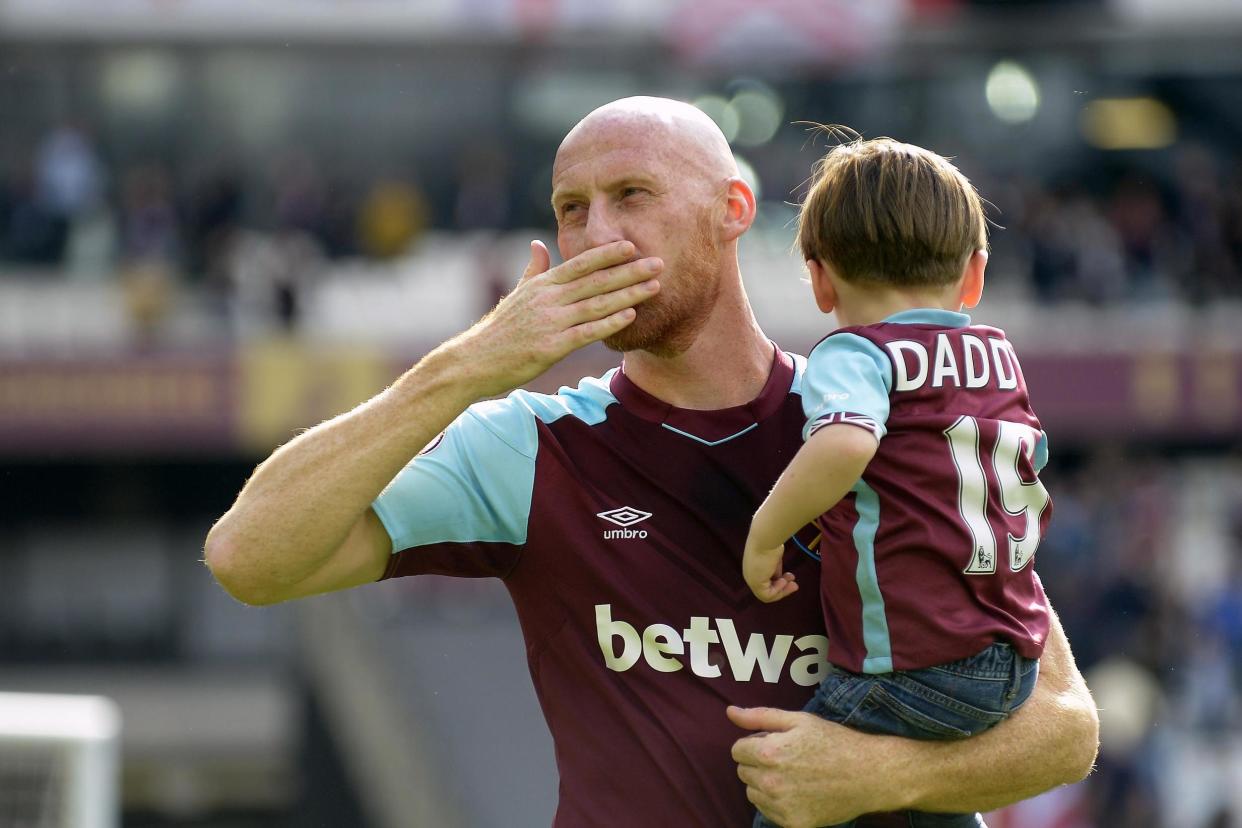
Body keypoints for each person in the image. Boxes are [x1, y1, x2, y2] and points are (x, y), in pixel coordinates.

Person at [204, 98, 1098, 828]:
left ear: (733, 209)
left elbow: (1062, 729)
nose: (597, 234)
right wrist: (467, 364)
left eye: (633, 195)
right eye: (570, 209)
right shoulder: (530, 443)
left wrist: (877, 772)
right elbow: (250, 558)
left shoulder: (871, 416)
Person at [743, 137, 1050, 828]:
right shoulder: (998, 357)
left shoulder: (856, 352)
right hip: (1016, 663)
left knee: (795, 787)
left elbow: (847, 441)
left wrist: (767, 532)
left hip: (919, 669)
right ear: (974, 278)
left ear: (821, 282)